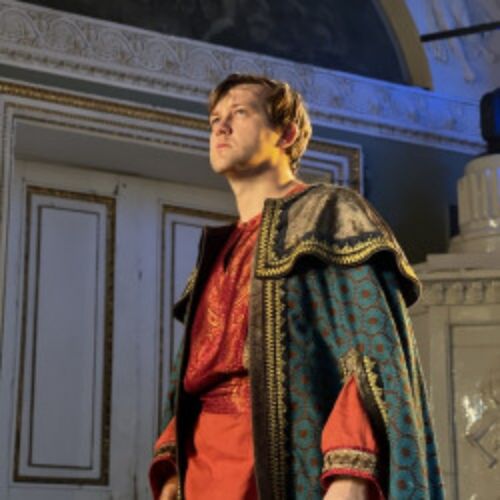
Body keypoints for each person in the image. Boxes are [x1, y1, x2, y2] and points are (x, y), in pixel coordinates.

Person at [149, 73, 443, 499]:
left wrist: (350, 472)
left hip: (282, 464)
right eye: (214, 119)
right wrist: (174, 471)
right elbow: (194, 376)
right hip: (203, 468)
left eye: (239, 113)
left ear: (286, 134)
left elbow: (368, 354)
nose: (220, 127)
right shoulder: (218, 250)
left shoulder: (331, 215)